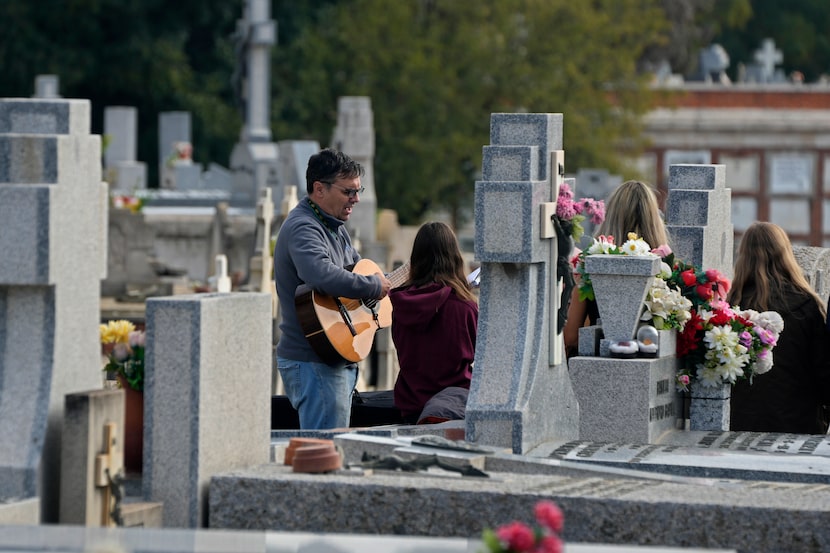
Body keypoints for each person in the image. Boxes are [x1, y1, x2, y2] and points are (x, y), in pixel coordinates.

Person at [273, 148, 391, 429]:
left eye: (358, 190)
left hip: (331, 357)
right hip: (314, 361)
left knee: (329, 452)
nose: (356, 199)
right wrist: (372, 286)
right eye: (348, 191)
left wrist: (380, 283)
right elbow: (321, 275)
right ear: (319, 189)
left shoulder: (334, 224)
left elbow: (355, 269)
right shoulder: (304, 227)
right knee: (324, 456)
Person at [728, 221, 830, 434]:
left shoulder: (731, 306)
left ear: (744, 256)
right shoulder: (807, 305)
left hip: (741, 421)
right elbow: (822, 370)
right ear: (785, 254)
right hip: (799, 422)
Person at [563, 180, 670, 357]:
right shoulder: (665, 267)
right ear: (654, 220)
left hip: (601, 362)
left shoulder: (589, 266)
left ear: (611, 215)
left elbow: (571, 337)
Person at [389, 222, 479, 424]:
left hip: (410, 405)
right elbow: (479, 355)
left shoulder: (401, 304)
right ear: (455, 256)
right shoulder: (464, 307)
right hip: (453, 408)